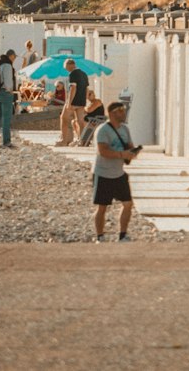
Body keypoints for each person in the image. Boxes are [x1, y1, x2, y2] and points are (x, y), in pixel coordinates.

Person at [93, 100, 139, 243]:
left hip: (119, 173)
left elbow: (129, 146)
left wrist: (133, 152)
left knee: (127, 203)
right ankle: (100, 236)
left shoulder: (125, 129)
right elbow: (103, 151)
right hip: (103, 173)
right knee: (102, 207)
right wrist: (121, 155)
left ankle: (123, 234)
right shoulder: (103, 130)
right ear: (113, 113)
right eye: (121, 111)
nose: (124, 113)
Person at [55, 59, 88, 146]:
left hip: (74, 101)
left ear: (70, 65)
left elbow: (73, 88)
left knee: (64, 118)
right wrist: (84, 101)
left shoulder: (73, 74)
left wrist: (69, 102)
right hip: (81, 102)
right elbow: (87, 89)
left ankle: (64, 141)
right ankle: (82, 141)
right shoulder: (84, 74)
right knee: (80, 122)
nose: (66, 69)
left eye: (66, 67)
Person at [0, 48, 18, 149]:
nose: (14, 59)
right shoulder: (7, 65)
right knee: (6, 118)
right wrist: (11, 91)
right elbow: (8, 82)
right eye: (14, 57)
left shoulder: (0, 64)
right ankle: (6, 141)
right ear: (11, 56)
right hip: (5, 93)